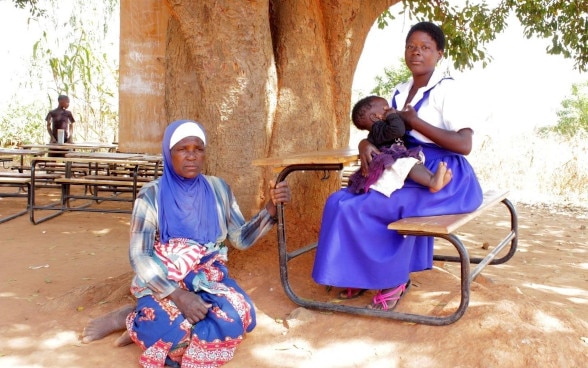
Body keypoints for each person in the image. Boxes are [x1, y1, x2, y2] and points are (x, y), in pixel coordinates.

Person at [81, 119, 291, 368]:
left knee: (238, 317)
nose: (192, 156)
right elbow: (140, 256)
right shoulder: (151, 196)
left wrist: (271, 207)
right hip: (164, 280)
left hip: (207, 278)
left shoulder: (219, 189)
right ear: (169, 154)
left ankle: (142, 321)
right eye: (182, 149)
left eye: (198, 149)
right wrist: (178, 295)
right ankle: (130, 317)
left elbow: (241, 239)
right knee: (164, 331)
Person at [312, 21, 483, 309]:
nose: (416, 52)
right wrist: (366, 145)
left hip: (444, 176)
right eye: (411, 47)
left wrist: (416, 122)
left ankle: (394, 279)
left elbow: (464, 145)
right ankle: (355, 273)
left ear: (439, 53)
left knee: (370, 206)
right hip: (405, 166)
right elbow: (387, 134)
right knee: (338, 200)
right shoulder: (399, 91)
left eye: (425, 47)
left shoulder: (447, 90)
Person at [346, 95, 452, 196]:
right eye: (385, 108)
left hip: (397, 155)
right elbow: (398, 130)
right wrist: (392, 115)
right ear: (375, 117)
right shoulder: (377, 129)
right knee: (409, 164)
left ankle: (434, 180)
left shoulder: (381, 127)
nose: (390, 109)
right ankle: (432, 181)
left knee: (414, 164)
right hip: (391, 159)